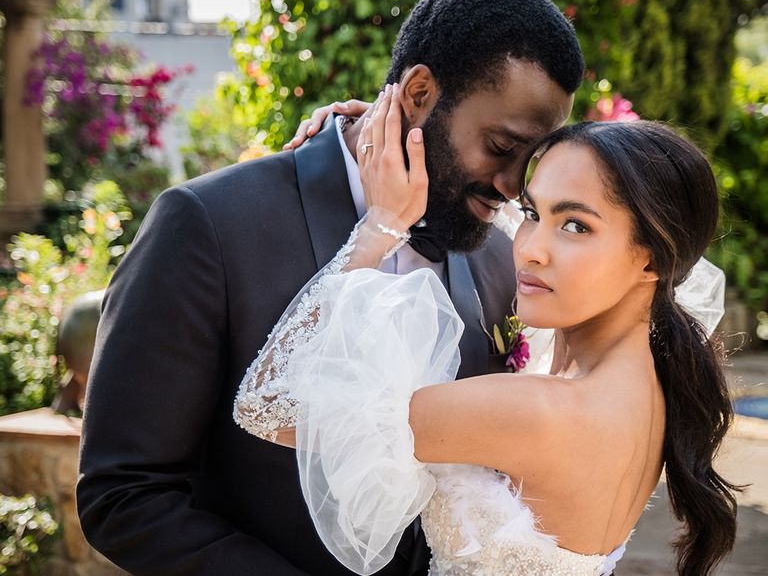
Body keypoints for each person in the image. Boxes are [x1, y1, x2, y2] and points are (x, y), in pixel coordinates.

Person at [77, 0, 585, 575]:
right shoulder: (209, 225)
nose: (509, 187)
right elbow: (125, 494)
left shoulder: (501, 262)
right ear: (419, 92)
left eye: (528, 164)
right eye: (501, 146)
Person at [235, 90, 738, 576]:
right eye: (535, 214)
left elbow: (266, 405)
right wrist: (415, 135)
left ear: (651, 258)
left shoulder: (538, 412)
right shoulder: (647, 386)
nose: (530, 248)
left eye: (576, 226)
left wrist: (382, 223)